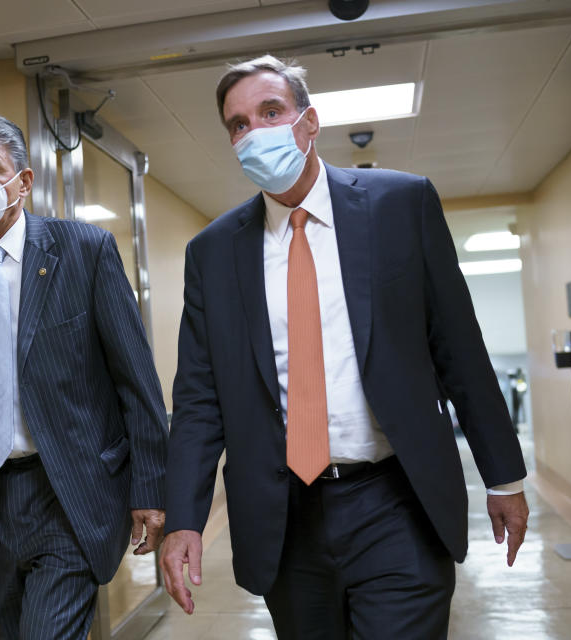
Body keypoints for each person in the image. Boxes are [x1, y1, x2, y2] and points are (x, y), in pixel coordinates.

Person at [159, 55, 529, 638]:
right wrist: (183, 518)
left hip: (396, 500)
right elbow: (200, 397)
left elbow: (457, 347)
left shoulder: (400, 206)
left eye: (271, 111)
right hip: (284, 516)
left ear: (308, 123)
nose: (255, 130)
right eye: (238, 124)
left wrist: (502, 476)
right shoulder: (213, 253)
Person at [0, 114, 168, 640]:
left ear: (23, 182)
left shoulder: (84, 251)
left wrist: (150, 487)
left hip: (67, 491)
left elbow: (136, 381)